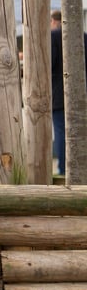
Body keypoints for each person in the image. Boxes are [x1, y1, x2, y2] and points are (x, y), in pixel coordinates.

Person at [50, 9, 87, 176]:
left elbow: (50, 63)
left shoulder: (54, 35)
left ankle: (64, 169)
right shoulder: (84, 36)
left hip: (59, 93)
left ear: (54, 21)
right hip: (82, 92)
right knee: (81, 131)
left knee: (60, 131)